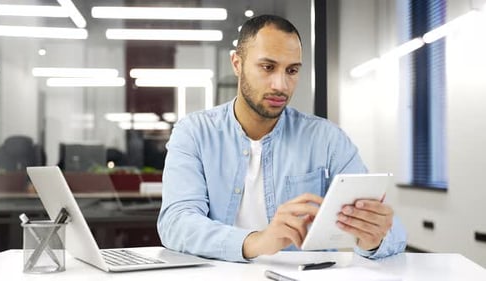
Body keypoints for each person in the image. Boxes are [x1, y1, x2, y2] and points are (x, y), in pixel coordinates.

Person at [157, 14, 406, 262]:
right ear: (236, 63)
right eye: (268, 67)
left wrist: (375, 237)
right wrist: (257, 241)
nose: (281, 85)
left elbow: (393, 232)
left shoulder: (327, 139)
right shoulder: (194, 132)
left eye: (292, 70)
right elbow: (176, 222)